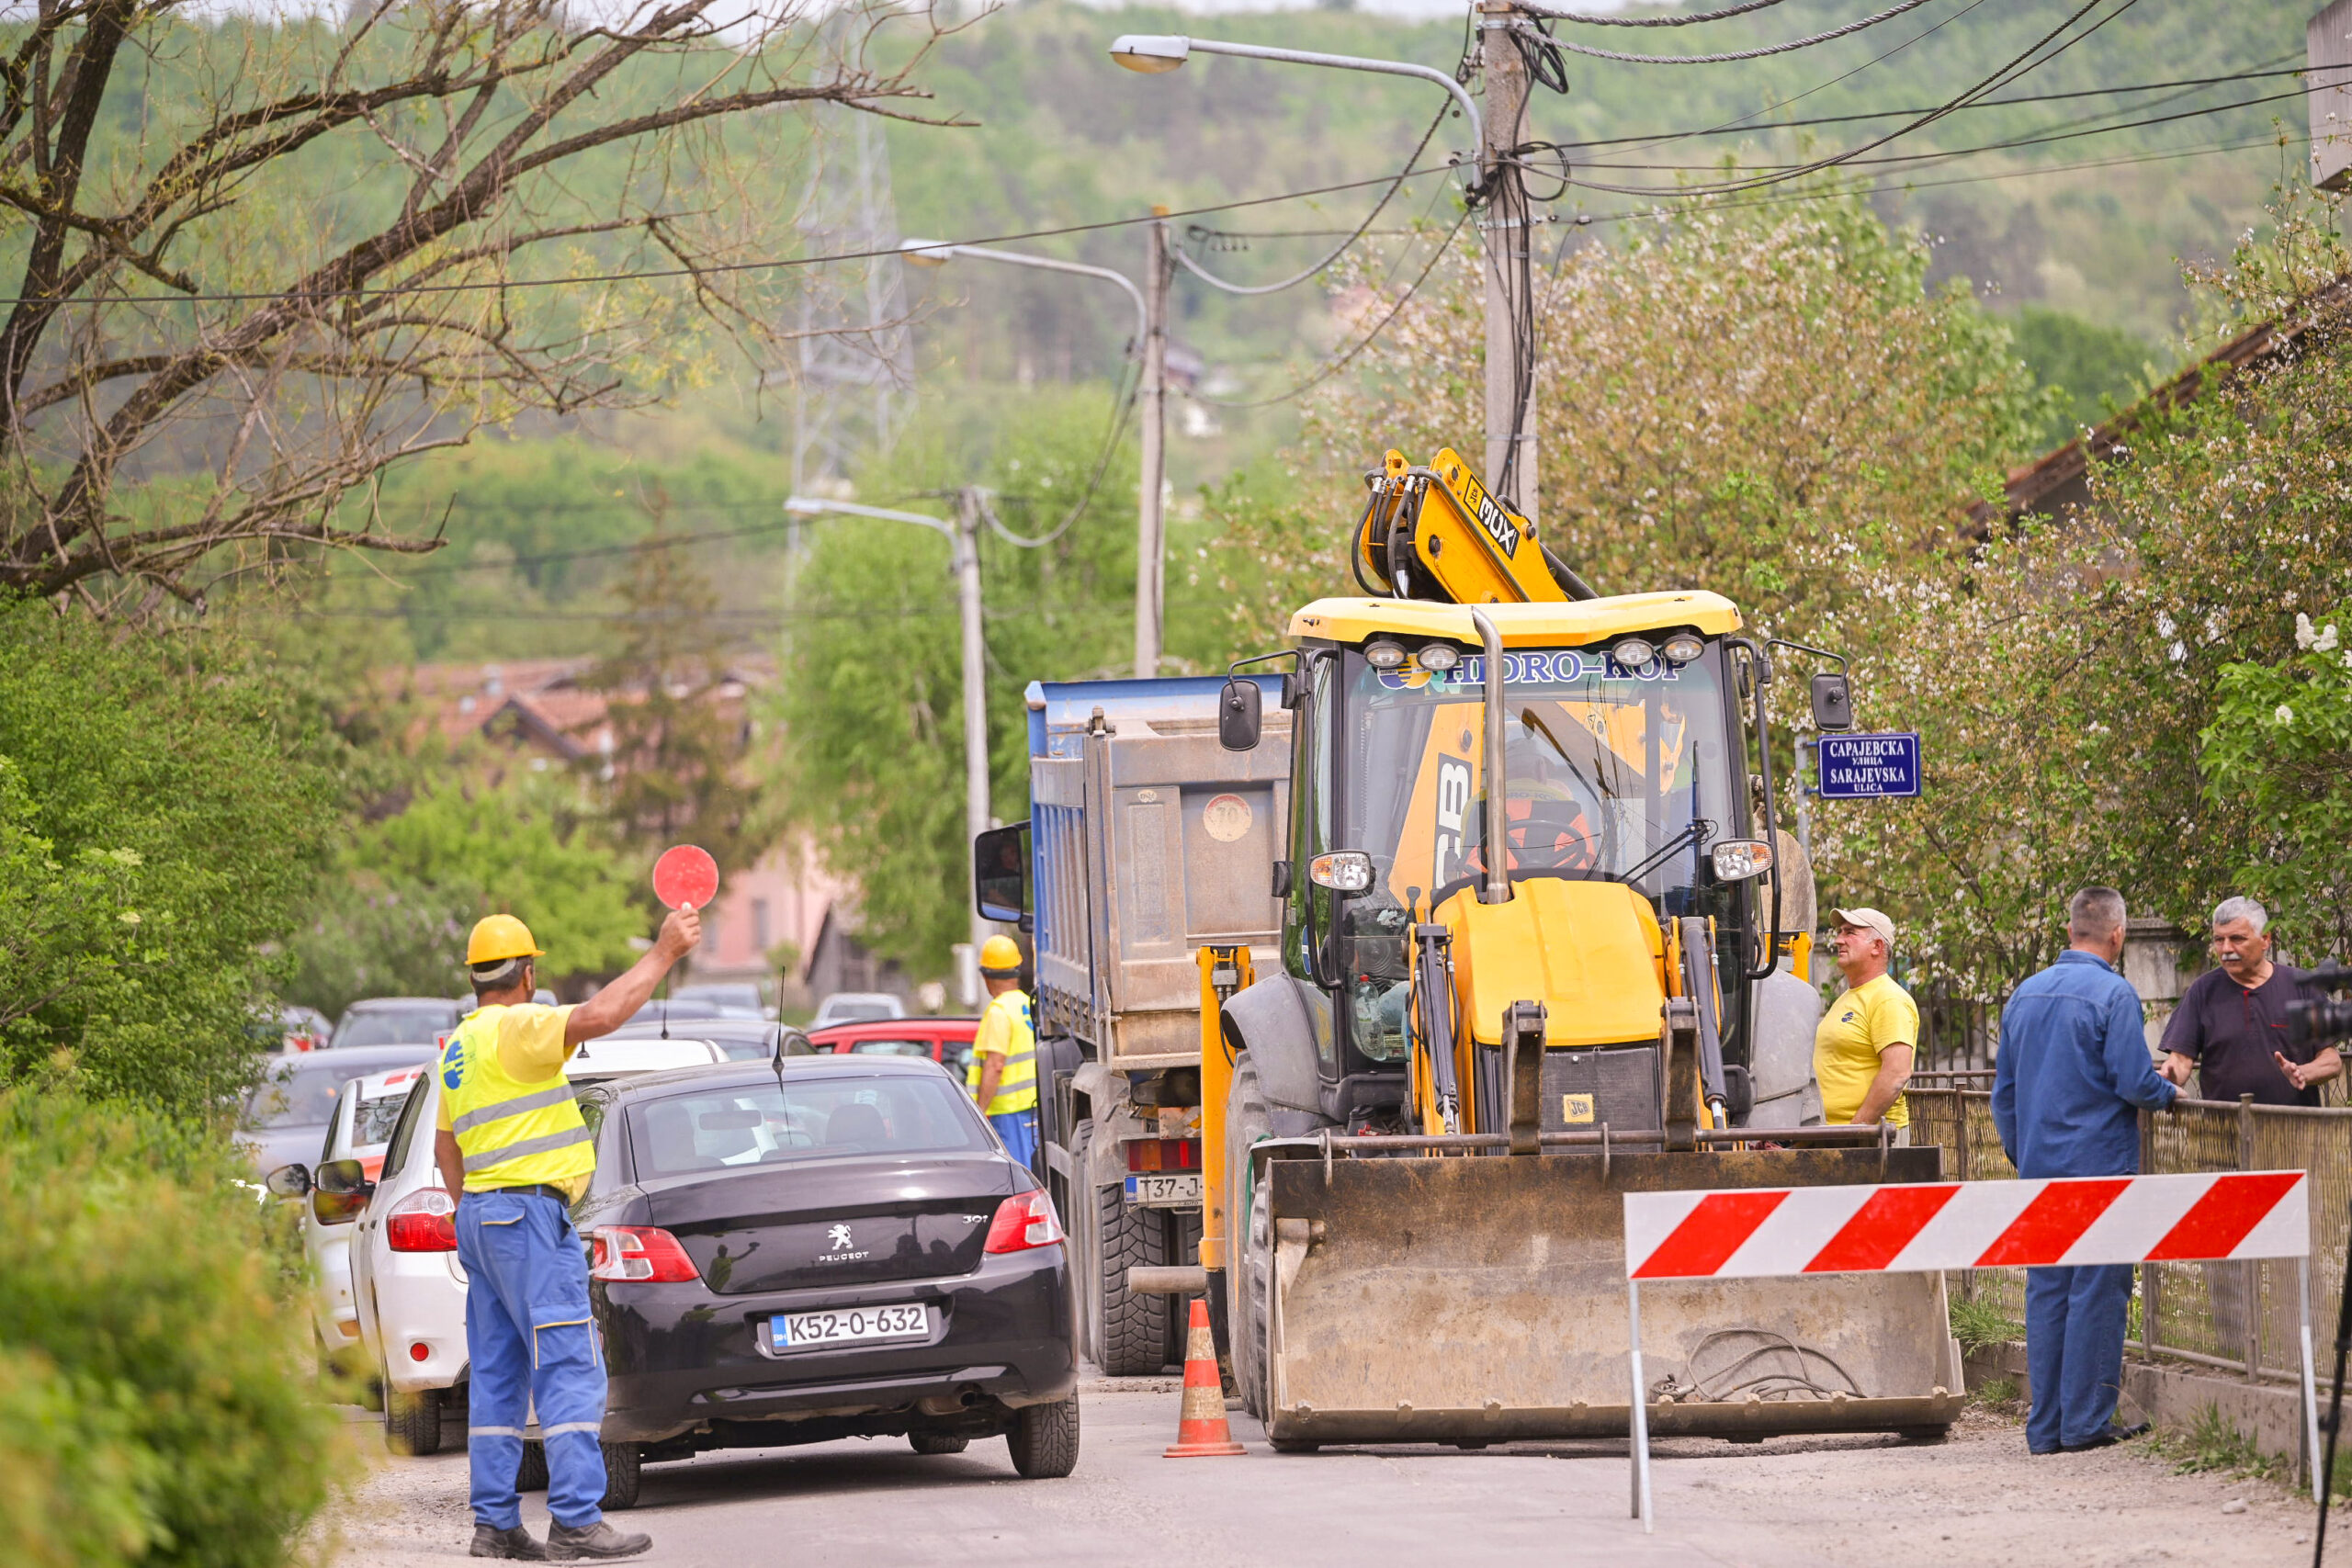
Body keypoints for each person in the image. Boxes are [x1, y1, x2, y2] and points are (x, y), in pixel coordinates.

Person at [434, 907, 701, 1562]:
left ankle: (495, 1524)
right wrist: (665, 951)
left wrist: (476, 1205)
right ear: (527, 973)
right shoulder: (520, 1025)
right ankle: (577, 1518)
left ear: (475, 976)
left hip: (483, 1218)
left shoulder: (458, 1045)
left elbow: (446, 1147)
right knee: (569, 1366)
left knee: (498, 1375)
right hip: (527, 1217)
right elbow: (602, 1015)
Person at [1992, 886, 2178, 1456]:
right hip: (2099, 1168)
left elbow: (2005, 1095)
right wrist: (2167, 1090)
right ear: (2117, 935)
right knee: (2098, 1289)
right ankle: (2086, 1423)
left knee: (2048, 1290)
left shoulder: (2024, 995)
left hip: (2042, 1169)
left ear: (2071, 930)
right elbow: (2131, 1081)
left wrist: (2027, 1155)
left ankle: (2045, 1428)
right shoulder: (2114, 994)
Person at [2158, 896, 2340, 1105]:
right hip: (2223, 1132)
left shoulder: (2303, 987)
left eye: (2237, 939)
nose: (2226, 949)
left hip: (2296, 1129)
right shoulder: (2202, 991)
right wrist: (2169, 1076)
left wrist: (2302, 1072)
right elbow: (2180, 1060)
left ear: (2265, 939)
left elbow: (2332, 1060)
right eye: (2219, 940)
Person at [1813, 907, 1917, 1139]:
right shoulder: (1848, 997)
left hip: (1872, 1141)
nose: (1839, 940)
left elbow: (1897, 1072)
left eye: (1850, 933)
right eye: (1840, 932)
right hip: (1839, 1138)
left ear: (1877, 947)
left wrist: (1856, 1131)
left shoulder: (1887, 999)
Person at [970, 934, 1039, 1170]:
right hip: (1031, 1109)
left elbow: (995, 1065)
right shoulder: (1026, 1004)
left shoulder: (998, 1011)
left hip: (1008, 1113)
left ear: (986, 976)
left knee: (1016, 1175)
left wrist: (979, 1111)